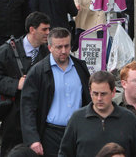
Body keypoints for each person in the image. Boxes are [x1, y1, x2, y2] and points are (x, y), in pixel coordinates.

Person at [0, 11, 51, 155]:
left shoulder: (47, 53)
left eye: (49, 29)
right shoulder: (8, 49)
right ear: (32, 30)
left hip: (40, 116)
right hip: (14, 118)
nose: (48, 33)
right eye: (44, 29)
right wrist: (16, 84)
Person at [20, 27, 90, 157]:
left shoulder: (80, 67)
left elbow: (88, 98)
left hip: (79, 132)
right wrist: (33, 139)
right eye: (59, 47)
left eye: (67, 46)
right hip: (51, 134)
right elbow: (27, 107)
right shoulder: (38, 72)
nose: (63, 51)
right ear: (50, 47)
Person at [58, 71, 136, 156]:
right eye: (95, 94)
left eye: (103, 94)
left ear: (113, 92)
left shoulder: (128, 119)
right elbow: (65, 153)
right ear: (90, 92)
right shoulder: (77, 119)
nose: (99, 98)